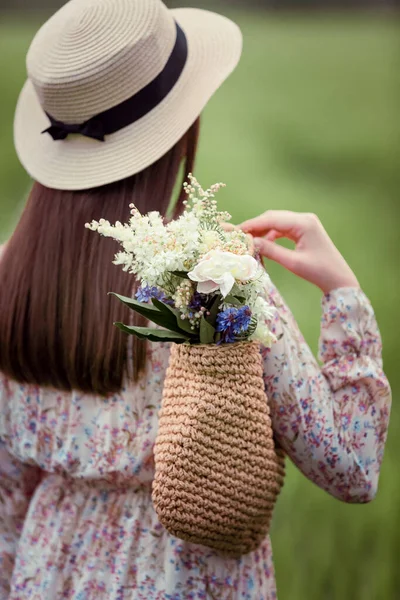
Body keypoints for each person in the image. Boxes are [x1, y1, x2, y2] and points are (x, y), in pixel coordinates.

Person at [0, 0, 391, 598]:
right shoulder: (214, 281)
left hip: (44, 569)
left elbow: (7, 491)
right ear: (182, 122)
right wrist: (343, 295)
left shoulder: (9, 273)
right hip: (184, 579)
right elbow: (352, 468)